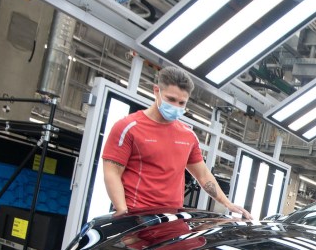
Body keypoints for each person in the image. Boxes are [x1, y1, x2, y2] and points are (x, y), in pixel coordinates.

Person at [102, 66, 252, 219]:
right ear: (156, 91)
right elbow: (112, 172)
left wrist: (227, 203)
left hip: (172, 219)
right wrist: (122, 211)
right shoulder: (128, 127)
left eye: (182, 103)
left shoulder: (188, 136)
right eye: (171, 99)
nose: (176, 106)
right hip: (137, 216)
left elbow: (203, 175)